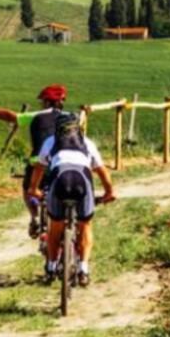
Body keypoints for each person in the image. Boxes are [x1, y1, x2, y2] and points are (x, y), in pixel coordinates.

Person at [27, 112, 115, 287]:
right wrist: (109, 192)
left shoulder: (50, 142)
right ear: (78, 128)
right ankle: (83, 269)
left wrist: (33, 189)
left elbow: (39, 168)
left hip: (59, 180)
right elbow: (102, 171)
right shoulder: (87, 143)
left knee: (55, 228)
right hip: (82, 181)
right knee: (85, 225)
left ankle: (51, 267)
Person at [0, 84, 68, 238]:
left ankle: (34, 216)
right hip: (64, 163)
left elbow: (10, 116)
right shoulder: (70, 117)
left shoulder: (37, 116)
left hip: (39, 162)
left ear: (46, 102)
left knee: (27, 188)